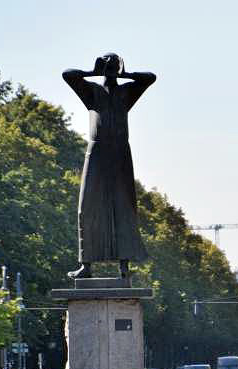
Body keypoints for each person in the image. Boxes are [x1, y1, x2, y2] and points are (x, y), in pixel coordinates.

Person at [62, 54, 155, 279]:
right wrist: (93, 72)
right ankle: (87, 265)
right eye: (108, 66)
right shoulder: (93, 92)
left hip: (120, 152)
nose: (111, 70)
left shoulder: (126, 93)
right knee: (87, 206)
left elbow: (150, 78)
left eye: (114, 66)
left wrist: (126, 74)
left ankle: (124, 266)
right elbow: (68, 75)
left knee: (123, 207)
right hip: (97, 151)